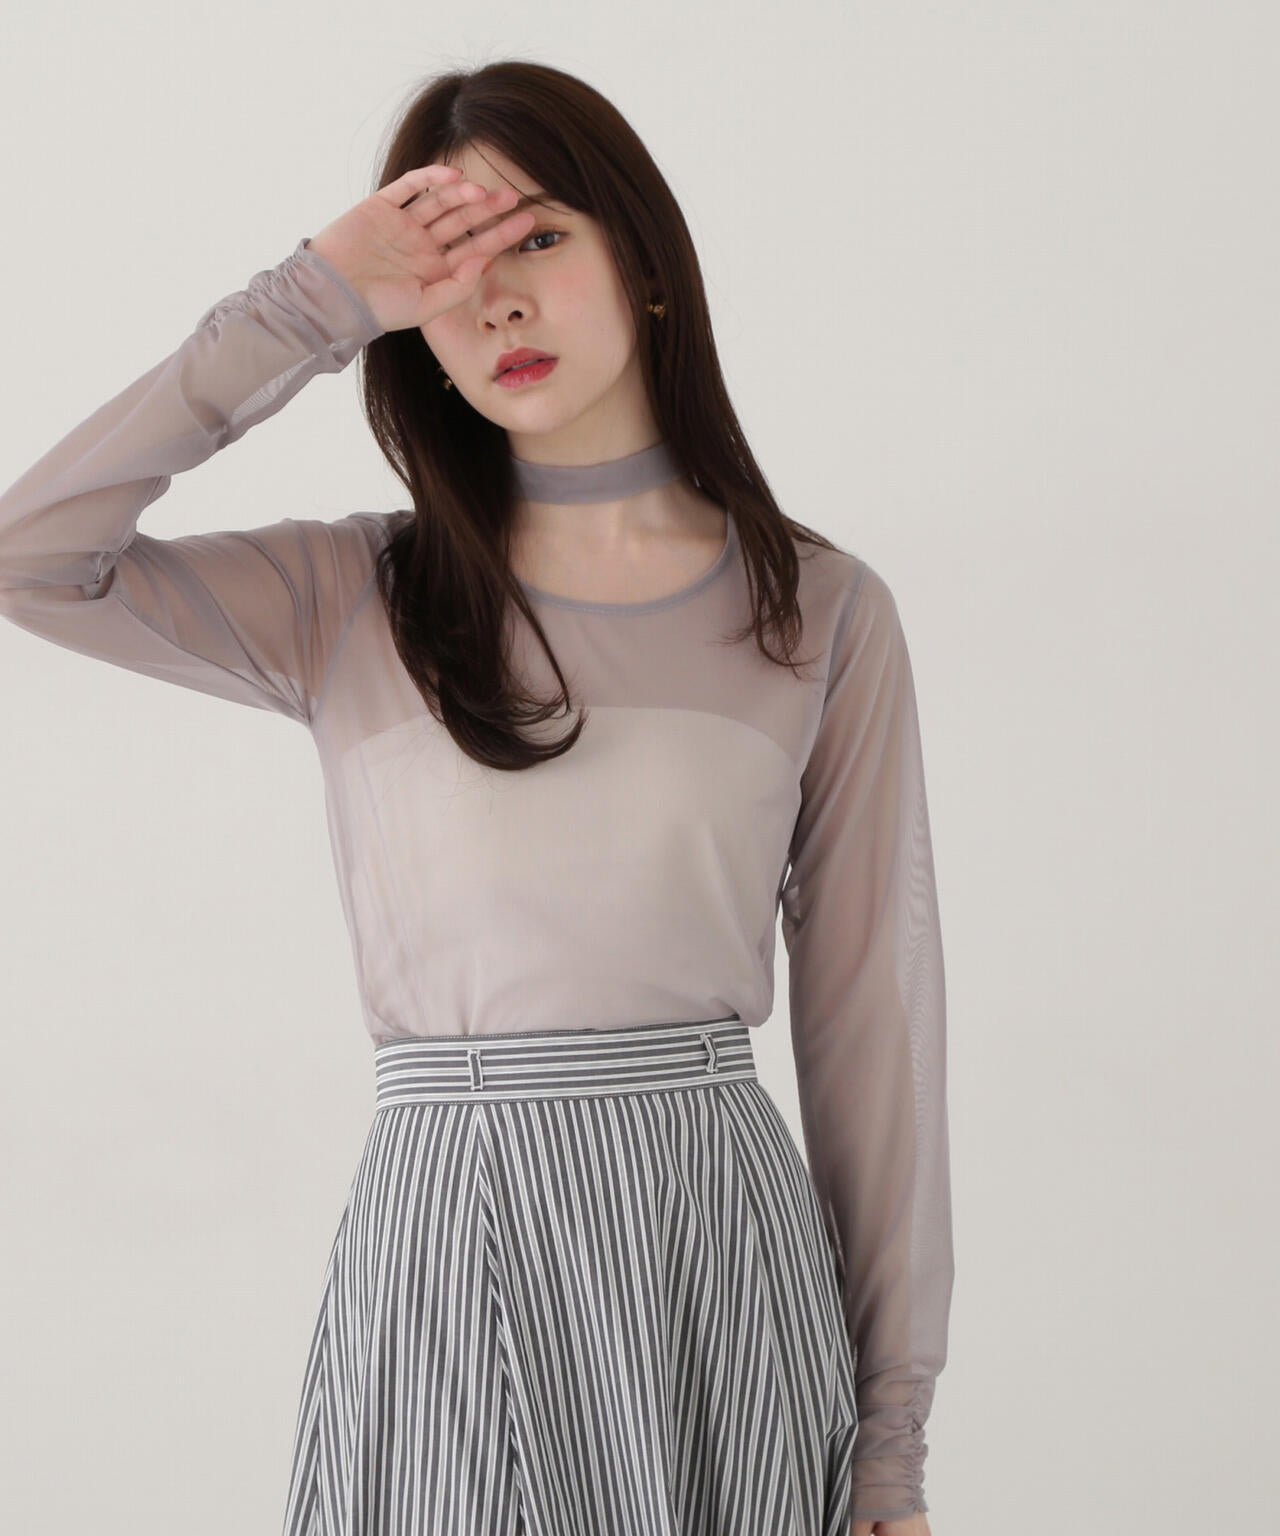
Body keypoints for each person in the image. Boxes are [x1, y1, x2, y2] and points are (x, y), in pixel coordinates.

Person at [0, 58, 953, 1536]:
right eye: (447, 264)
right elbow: (34, 557)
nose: (497, 300)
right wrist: (310, 302)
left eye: (539, 237)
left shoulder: (819, 612)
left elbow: (870, 1035)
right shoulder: (351, 594)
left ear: (645, 266)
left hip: (716, 1263)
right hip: (448, 1248)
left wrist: (889, 1437)